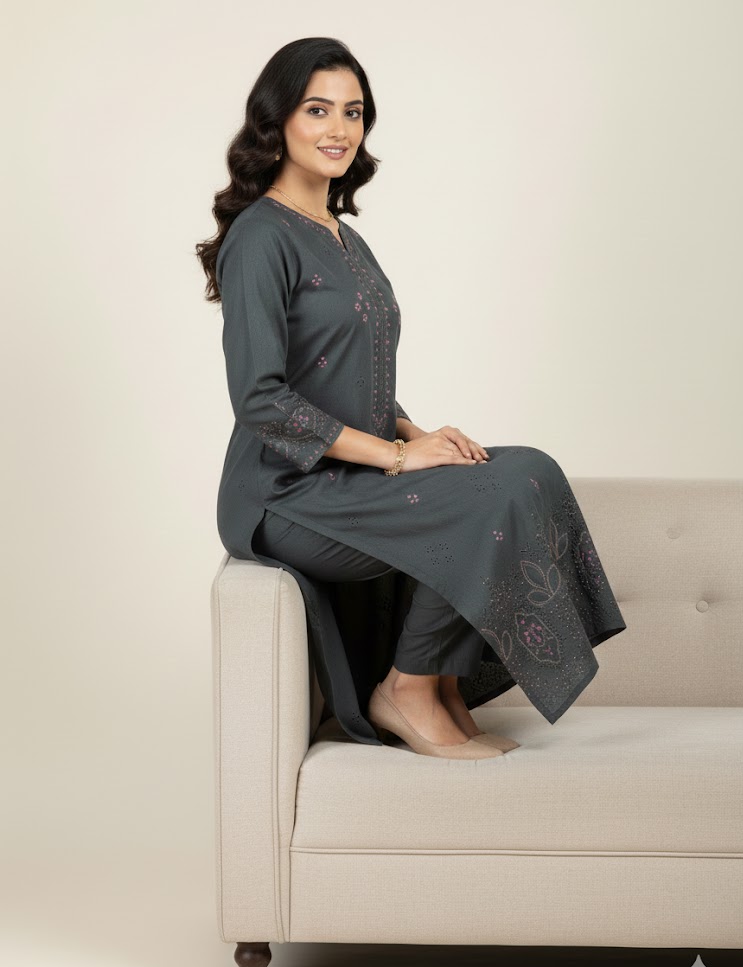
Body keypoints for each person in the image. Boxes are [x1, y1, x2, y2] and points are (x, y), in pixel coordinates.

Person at [195, 38, 627, 759]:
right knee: (487, 497)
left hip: (352, 469)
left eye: (353, 112)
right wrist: (398, 458)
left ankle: (445, 686)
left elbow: (356, 378)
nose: (339, 129)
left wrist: (421, 437)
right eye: (317, 110)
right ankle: (408, 688)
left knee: (525, 470)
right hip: (284, 493)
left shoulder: (345, 238)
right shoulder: (260, 237)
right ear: (277, 121)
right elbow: (262, 401)